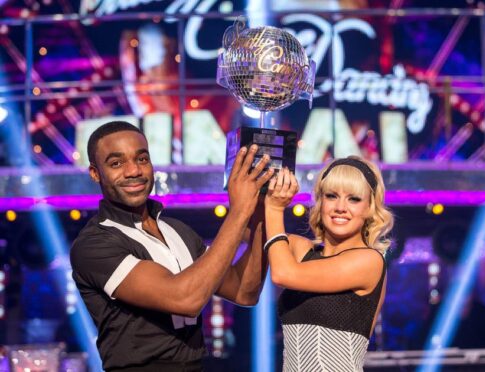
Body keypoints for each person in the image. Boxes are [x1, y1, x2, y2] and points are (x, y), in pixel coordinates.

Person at [70, 121, 273, 371]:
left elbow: (244, 291)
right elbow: (186, 299)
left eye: (142, 159)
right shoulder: (95, 243)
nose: (134, 170)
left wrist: (264, 210)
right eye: (116, 163)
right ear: (95, 173)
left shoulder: (178, 230)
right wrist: (239, 211)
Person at [264, 156, 394, 371]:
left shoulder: (369, 260)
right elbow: (254, 233)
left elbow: (283, 274)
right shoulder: (301, 249)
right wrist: (261, 189)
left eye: (354, 199)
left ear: (370, 207)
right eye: (332, 196)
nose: (341, 207)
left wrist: (275, 209)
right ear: (320, 201)